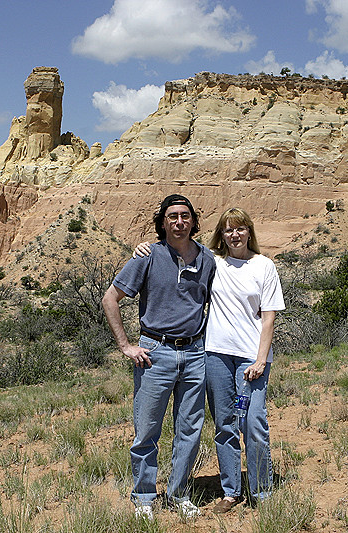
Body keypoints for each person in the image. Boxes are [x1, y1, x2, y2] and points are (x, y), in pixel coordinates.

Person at [134, 207, 285, 513]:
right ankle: (231, 491)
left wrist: (259, 361)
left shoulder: (264, 266)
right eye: (228, 229)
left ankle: (262, 491)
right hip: (214, 354)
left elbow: (268, 319)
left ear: (249, 232)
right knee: (224, 424)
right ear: (222, 234)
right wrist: (142, 247)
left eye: (240, 228)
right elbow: (180, 249)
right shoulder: (212, 261)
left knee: (253, 421)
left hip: (251, 359)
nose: (235, 234)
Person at [101, 194, 216, 520]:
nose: (179, 222)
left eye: (185, 216)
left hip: (195, 353)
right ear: (163, 222)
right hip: (154, 353)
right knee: (147, 430)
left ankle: (179, 493)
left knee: (190, 429)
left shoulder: (207, 259)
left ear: (193, 221)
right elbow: (111, 298)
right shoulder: (148, 255)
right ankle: (144, 497)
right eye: (172, 217)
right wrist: (126, 346)